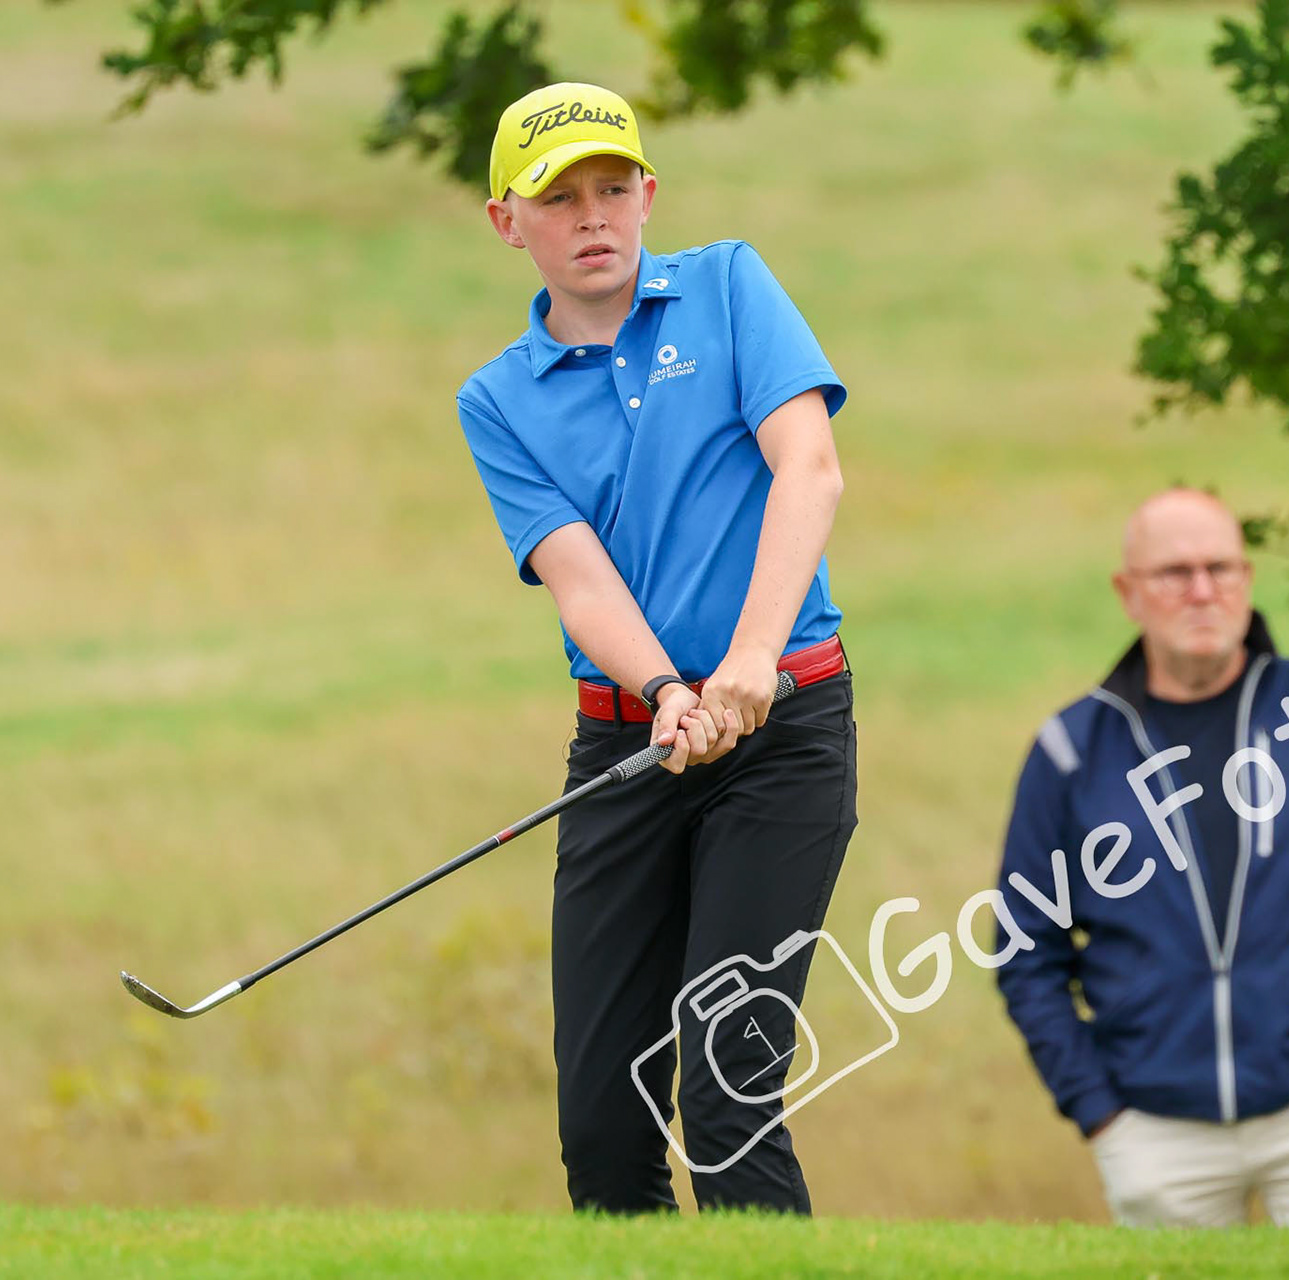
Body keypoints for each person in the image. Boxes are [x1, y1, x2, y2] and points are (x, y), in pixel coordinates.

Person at [454, 82, 857, 1215]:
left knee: (727, 1096)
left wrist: (750, 660)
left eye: (613, 187)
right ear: (507, 221)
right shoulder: (499, 399)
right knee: (601, 1120)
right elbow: (579, 577)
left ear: (647, 195)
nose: (593, 216)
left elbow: (809, 468)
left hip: (785, 736)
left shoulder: (728, 285)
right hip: (628, 749)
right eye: (559, 198)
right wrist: (670, 689)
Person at [993, 488, 1289, 1231]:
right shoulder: (1072, 752)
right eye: (1175, 573)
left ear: (1247, 578)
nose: (1203, 591)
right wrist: (1100, 1111)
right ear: (1128, 592)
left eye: (1221, 568)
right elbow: (1024, 951)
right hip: (1156, 1133)